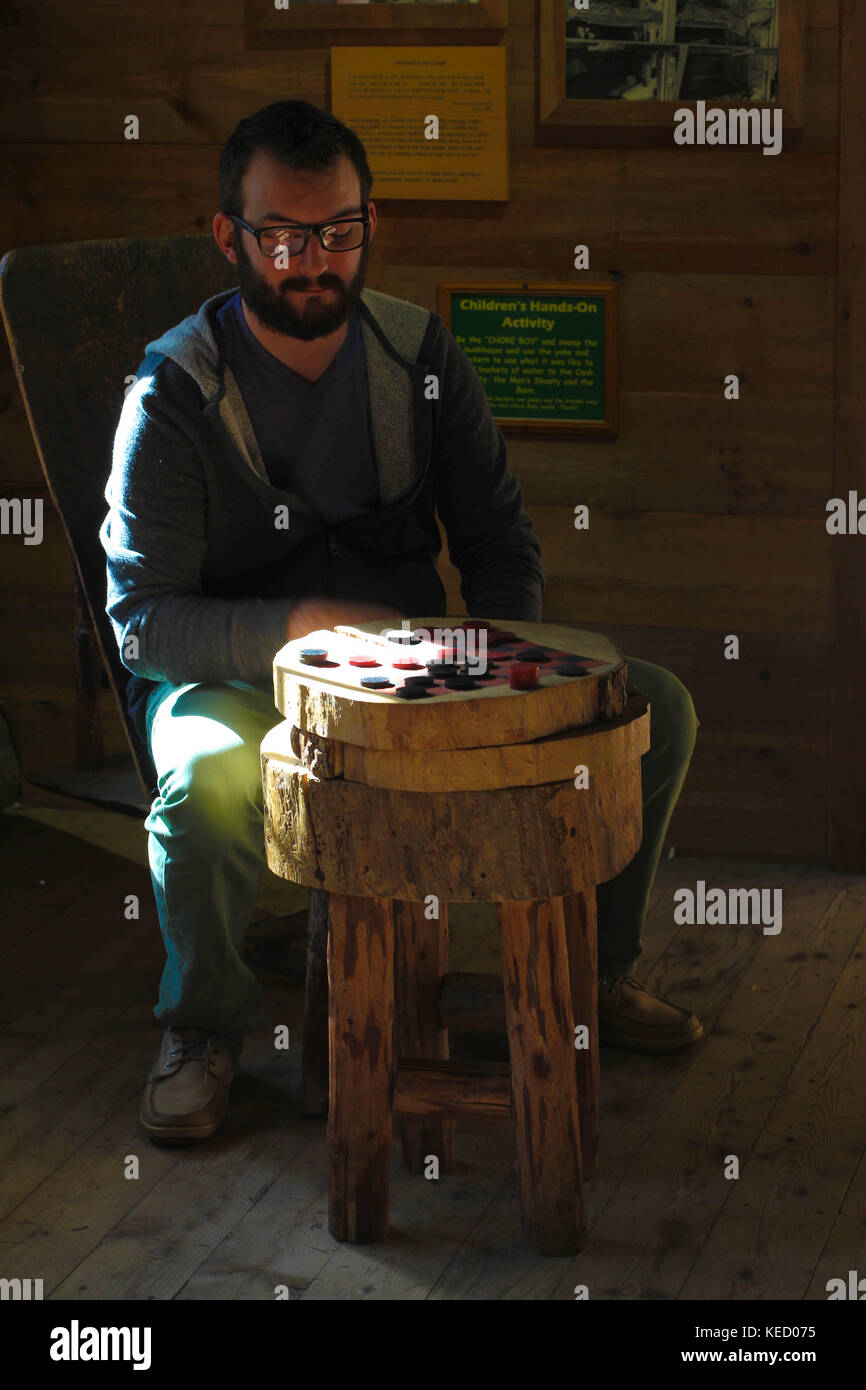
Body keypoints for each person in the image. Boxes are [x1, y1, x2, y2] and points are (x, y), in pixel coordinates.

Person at [100, 100, 702, 1147]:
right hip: (238, 684)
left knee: (654, 708)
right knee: (203, 782)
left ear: (368, 221)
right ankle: (204, 1024)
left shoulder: (419, 353)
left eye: (335, 230)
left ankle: (591, 975)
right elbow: (145, 627)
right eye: (280, 235)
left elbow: (499, 540)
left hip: (414, 679)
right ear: (227, 236)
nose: (310, 261)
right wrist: (298, 623)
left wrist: (509, 672)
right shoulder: (172, 393)